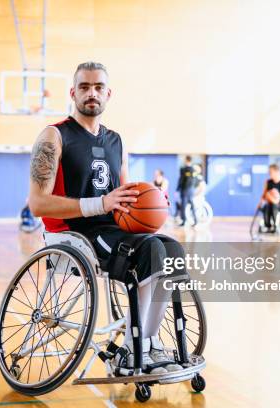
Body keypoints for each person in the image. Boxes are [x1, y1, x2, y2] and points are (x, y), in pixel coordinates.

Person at [28, 62, 187, 375]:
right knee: (150, 252)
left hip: (113, 230)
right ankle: (133, 350)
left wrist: (150, 201)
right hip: (73, 232)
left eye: (98, 87)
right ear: (73, 92)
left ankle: (145, 343)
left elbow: (124, 195)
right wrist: (100, 203)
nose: (91, 93)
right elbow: (37, 203)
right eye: (84, 87)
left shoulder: (117, 141)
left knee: (172, 251)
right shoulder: (54, 136)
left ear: (108, 94)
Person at [176, 156, 199, 226]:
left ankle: (184, 221)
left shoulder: (183, 169)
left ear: (186, 160)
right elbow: (196, 181)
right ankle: (195, 220)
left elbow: (181, 180)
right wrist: (193, 188)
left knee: (183, 206)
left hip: (185, 190)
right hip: (192, 190)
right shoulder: (194, 170)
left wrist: (178, 189)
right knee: (192, 205)